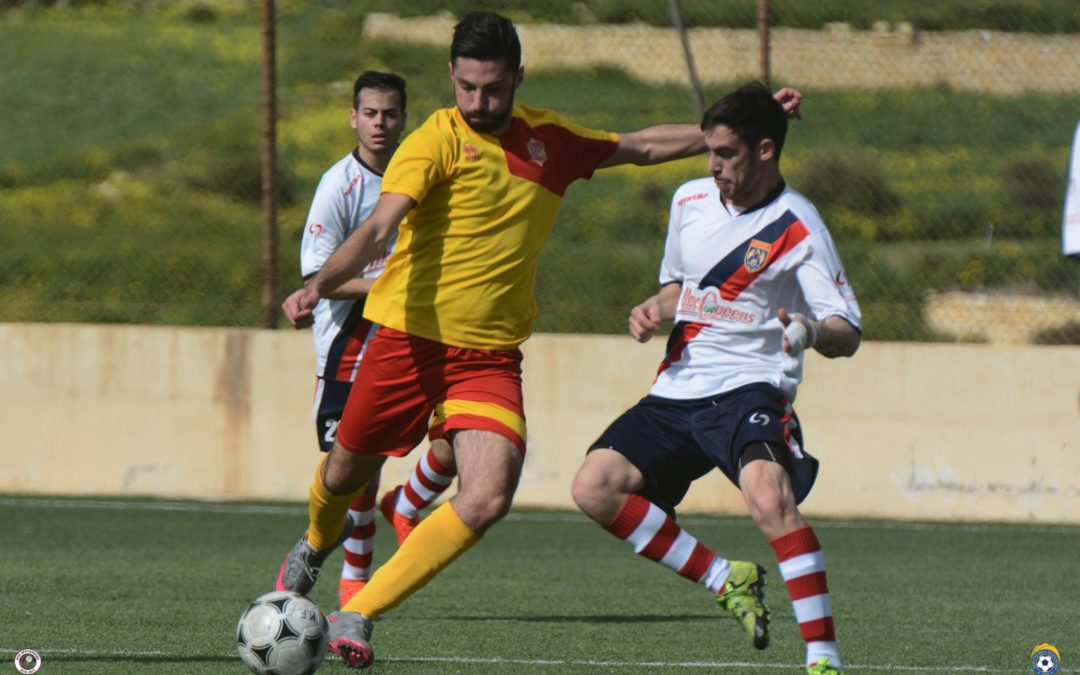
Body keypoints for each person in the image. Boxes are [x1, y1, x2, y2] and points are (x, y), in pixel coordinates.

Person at [277, 12, 803, 669]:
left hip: (489, 358)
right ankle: (313, 542)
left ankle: (358, 610)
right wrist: (322, 282)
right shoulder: (431, 142)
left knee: (489, 494)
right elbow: (381, 227)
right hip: (405, 342)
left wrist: (729, 136)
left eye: (492, 89)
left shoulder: (549, 141)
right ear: (452, 78)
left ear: (517, 78)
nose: (478, 103)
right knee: (343, 473)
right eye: (466, 87)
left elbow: (638, 146)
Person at [570, 81, 861, 675]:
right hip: (679, 386)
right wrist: (655, 307)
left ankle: (823, 657)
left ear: (764, 151)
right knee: (593, 487)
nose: (712, 165)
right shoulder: (689, 201)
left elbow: (847, 329)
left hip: (750, 387)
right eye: (709, 152)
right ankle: (728, 577)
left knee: (766, 496)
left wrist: (809, 331)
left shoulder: (799, 224)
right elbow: (679, 287)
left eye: (725, 153)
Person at [279, 70, 457, 609]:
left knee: (456, 446)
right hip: (349, 345)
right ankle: (353, 582)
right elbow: (319, 277)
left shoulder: (422, 173)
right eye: (371, 114)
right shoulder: (340, 186)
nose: (381, 123)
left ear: (405, 117)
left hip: (423, 333)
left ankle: (407, 502)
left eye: (392, 114)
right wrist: (386, 279)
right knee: (357, 469)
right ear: (354, 117)